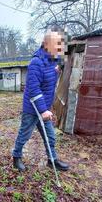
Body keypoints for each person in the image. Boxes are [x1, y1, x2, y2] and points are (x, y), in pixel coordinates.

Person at [12, 27, 69, 172]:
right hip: (32, 109)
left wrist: (57, 71)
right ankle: (16, 157)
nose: (60, 48)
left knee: (50, 136)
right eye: (58, 45)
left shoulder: (52, 60)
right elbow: (33, 89)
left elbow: (47, 82)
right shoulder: (36, 63)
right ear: (47, 44)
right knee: (24, 135)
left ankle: (52, 160)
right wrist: (43, 110)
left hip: (44, 108)